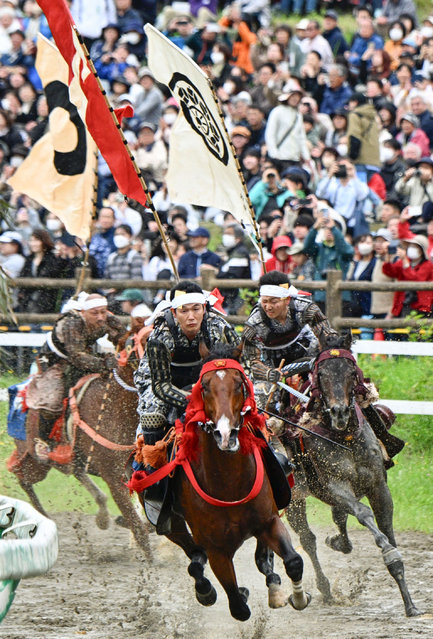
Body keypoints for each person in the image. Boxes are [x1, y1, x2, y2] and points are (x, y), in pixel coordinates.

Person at [133, 280, 240, 455]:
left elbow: (238, 362)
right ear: (174, 312)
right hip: (162, 380)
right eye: (184, 310)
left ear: (204, 308)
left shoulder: (219, 327)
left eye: (196, 309)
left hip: (208, 378)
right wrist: (194, 400)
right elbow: (160, 385)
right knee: (152, 416)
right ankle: (150, 463)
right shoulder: (160, 337)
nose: (191, 316)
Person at [32, 293, 124, 460]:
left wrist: (125, 351)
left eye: (103, 312)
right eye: (95, 313)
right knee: (52, 400)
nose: (100, 317)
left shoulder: (107, 318)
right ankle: (43, 441)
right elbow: (77, 357)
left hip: (87, 355)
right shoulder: (72, 323)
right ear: (83, 312)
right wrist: (105, 363)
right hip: (56, 360)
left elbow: (122, 337)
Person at [382, 235, 433, 318]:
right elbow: (390, 272)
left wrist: (405, 261)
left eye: (415, 246)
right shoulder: (404, 261)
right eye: (411, 246)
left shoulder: (428, 265)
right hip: (403, 303)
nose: (411, 248)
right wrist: (388, 256)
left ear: (421, 250)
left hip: (420, 307)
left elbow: (416, 280)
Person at [217, 223, 251, 315]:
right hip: (229, 300)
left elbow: (233, 275)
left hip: (236, 300)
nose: (225, 236)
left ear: (238, 238)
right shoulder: (231, 252)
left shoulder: (241, 252)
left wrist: (217, 273)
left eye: (229, 234)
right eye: (224, 233)